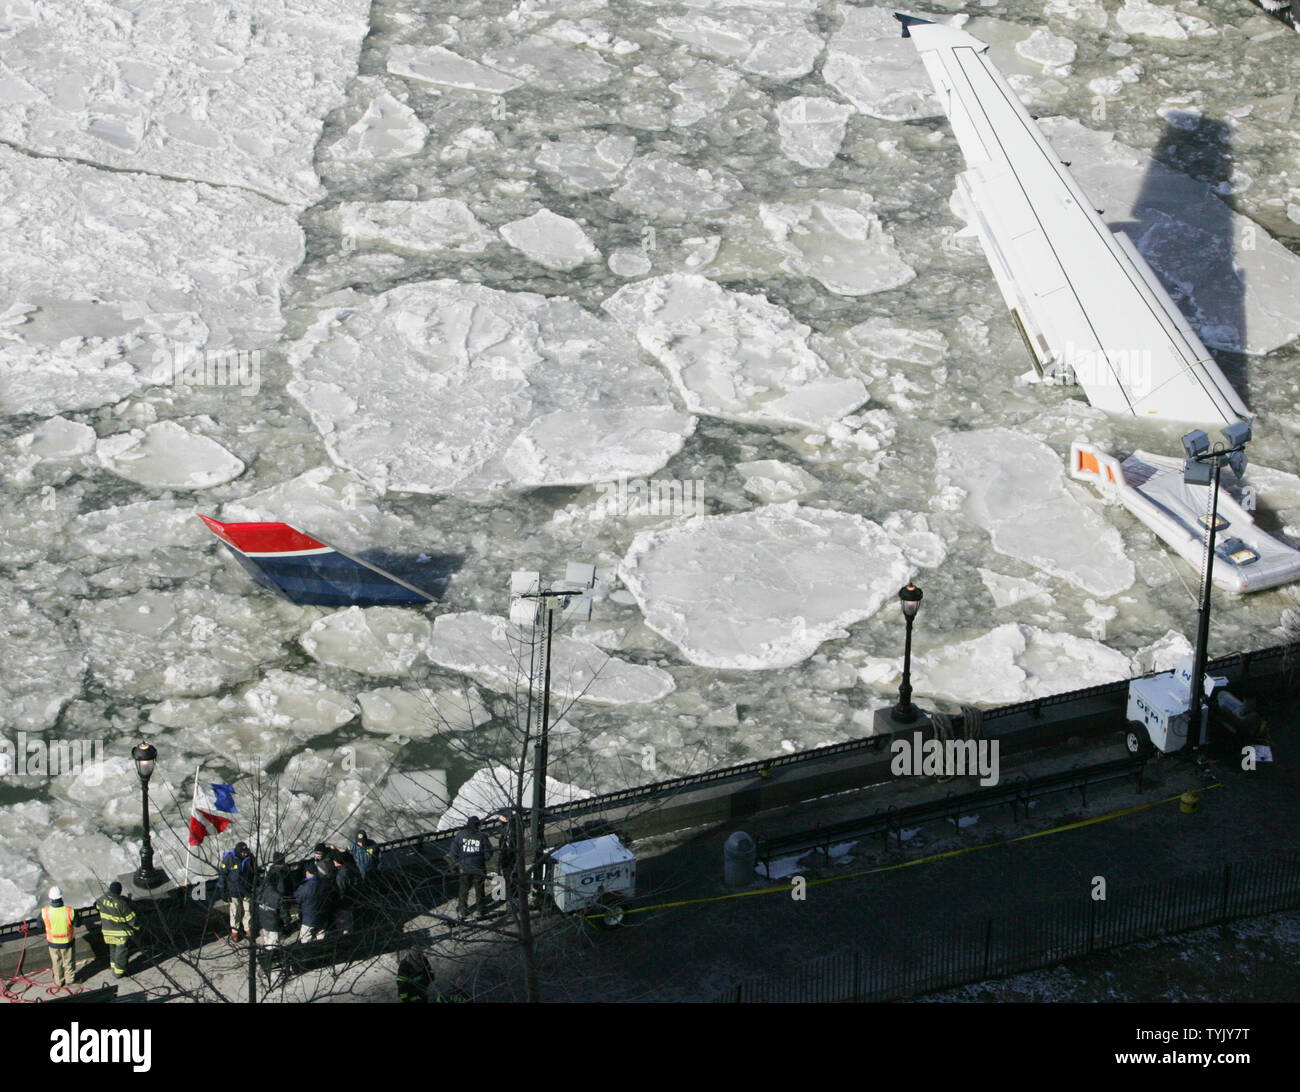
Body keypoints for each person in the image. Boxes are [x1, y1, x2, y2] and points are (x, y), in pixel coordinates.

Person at [94, 881, 140, 978]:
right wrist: (137, 928)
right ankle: (118, 973)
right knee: (121, 953)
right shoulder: (122, 904)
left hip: (107, 931)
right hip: (120, 933)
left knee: (113, 949)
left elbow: (97, 906)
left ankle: (113, 966)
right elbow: (131, 920)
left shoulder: (102, 899)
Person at [451, 815, 492, 920]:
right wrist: (482, 860)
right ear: (478, 825)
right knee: (479, 889)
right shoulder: (482, 837)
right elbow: (488, 854)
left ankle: (462, 910)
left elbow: (453, 852)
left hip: (465, 867)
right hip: (479, 866)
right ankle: (480, 909)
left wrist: (459, 862)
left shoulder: (460, 835)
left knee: (463, 889)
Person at [218, 841, 255, 942]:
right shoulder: (229, 859)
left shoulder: (250, 858)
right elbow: (222, 875)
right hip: (233, 890)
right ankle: (235, 931)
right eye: (243, 852)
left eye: (246, 852)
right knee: (235, 911)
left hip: (247, 890)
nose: (245, 854)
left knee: (248, 911)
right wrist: (222, 889)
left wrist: (254, 886)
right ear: (238, 852)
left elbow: (254, 873)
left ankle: (248, 929)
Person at [41, 885, 76, 987]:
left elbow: (39, 925)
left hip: (53, 943)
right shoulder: (69, 911)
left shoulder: (45, 911)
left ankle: (59, 981)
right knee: (69, 962)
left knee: (56, 963)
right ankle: (70, 980)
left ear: (50, 898)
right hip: (67, 942)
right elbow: (78, 923)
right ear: (62, 897)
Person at [294, 863, 334, 944]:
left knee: (306, 938)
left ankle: (308, 954)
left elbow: (297, 899)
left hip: (309, 919)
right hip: (322, 916)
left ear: (307, 873)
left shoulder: (304, 887)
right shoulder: (325, 883)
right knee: (321, 937)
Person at [331, 848, 361, 935]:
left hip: (346, 904)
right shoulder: (352, 868)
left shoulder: (341, 875)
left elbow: (341, 891)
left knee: (345, 928)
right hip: (354, 900)